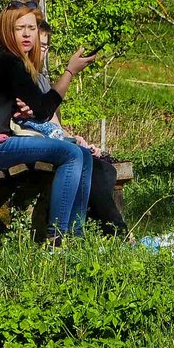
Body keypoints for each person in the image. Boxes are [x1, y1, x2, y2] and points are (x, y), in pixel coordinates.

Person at [0, 4, 98, 242]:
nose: (27, 35)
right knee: (72, 154)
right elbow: (44, 111)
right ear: (6, 30)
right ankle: (58, 239)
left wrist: (18, 108)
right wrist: (70, 72)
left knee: (83, 155)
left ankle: (76, 237)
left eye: (31, 29)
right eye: (19, 28)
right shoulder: (9, 61)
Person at [24, 23, 130, 237]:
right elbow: (32, 123)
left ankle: (94, 231)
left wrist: (73, 138)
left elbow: (51, 123)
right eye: (39, 45)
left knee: (103, 167)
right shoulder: (23, 76)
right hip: (31, 144)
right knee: (92, 165)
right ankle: (112, 233)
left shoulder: (41, 79)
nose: (42, 51)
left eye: (46, 47)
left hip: (51, 141)